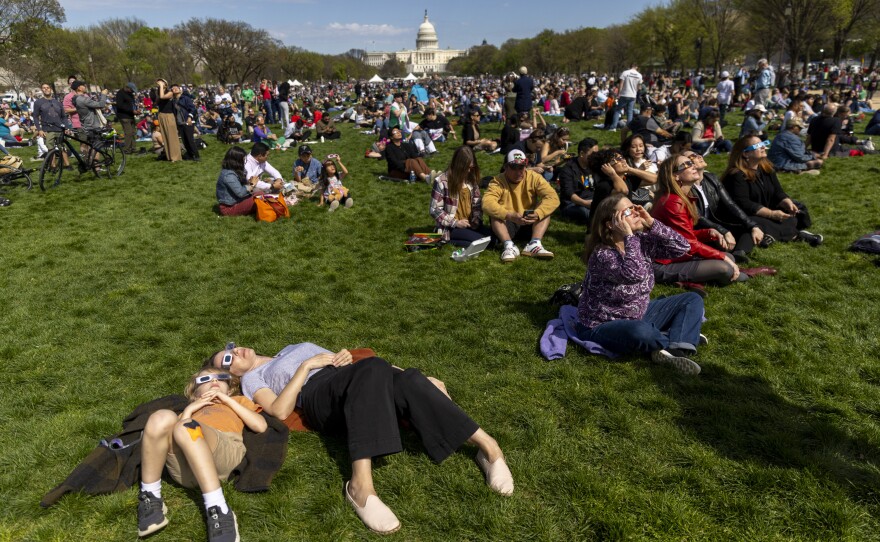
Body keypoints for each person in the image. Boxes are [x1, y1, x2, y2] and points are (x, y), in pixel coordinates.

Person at [208, 343, 514, 534]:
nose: (235, 353)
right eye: (227, 360)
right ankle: (360, 485)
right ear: (231, 375)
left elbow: (357, 365)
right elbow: (278, 408)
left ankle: (489, 449)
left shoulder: (289, 347)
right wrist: (306, 366)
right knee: (372, 367)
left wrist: (415, 379)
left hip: (352, 376)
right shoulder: (252, 379)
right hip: (317, 397)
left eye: (231, 348)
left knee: (402, 377)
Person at [575, 193, 704, 375]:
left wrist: (652, 223)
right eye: (627, 211)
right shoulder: (602, 254)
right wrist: (629, 236)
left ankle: (674, 346)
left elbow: (682, 247)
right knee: (640, 331)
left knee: (691, 299)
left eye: (635, 207)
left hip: (638, 313)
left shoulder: (641, 241)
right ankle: (678, 337)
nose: (636, 213)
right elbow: (633, 274)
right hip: (602, 324)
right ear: (611, 224)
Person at [137, 367, 266, 541]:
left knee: (187, 426)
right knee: (161, 417)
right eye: (205, 380)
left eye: (220, 378)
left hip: (224, 450)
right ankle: (150, 497)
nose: (214, 381)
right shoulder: (190, 409)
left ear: (229, 388)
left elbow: (260, 426)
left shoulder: (238, 400)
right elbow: (177, 434)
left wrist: (227, 401)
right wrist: (190, 409)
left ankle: (219, 508)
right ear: (195, 393)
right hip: (186, 469)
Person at [650, 154, 776, 290]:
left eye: (690, 163)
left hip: (675, 255)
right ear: (675, 176)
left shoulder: (681, 197)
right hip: (661, 263)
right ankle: (745, 274)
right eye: (685, 165)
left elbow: (682, 235)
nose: (692, 166)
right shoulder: (673, 202)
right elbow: (688, 243)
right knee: (724, 268)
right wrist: (722, 257)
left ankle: (692, 281)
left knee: (729, 258)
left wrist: (708, 232)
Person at [721, 136, 823, 247]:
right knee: (760, 222)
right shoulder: (736, 175)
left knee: (793, 212)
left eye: (763, 143)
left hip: (764, 210)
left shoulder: (767, 169)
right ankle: (796, 235)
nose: (763, 147)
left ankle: (770, 235)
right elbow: (744, 204)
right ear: (746, 154)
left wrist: (785, 201)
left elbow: (777, 191)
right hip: (744, 216)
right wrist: (770, 214)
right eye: (758, 146)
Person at [684, 151, 762, 263]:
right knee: (720, 239)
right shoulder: (685, 186)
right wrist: (723, 231)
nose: (699, 156)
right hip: (699, 230)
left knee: (749, 227)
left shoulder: (711, 178)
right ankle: (731, 252)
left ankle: (739, 252)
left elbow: (730, 204)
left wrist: (752, 225)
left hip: (716, 223)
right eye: (693, 156)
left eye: (698, 154)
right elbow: (698, 217)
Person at [482, 150, 560, 262]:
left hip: (529, 221)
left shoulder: (534, 177)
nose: (518, 172)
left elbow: (553, 198)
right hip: (508, 223)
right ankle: (508, 245)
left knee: (545, 209)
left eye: (522, 167)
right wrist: (509, 215)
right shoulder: (498, 181)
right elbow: (487, 203)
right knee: (494, 214)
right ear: (506, 167)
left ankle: (534, 243)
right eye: (514, 167)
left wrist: (537, 214)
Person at [429, 146, 489, 245]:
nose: (469, 171)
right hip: (451, 226)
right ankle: (446, 238)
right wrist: (455, 223)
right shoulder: (442, 181)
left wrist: (476, 219)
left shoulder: (471, 179)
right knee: (480, 241)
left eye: (471, 167)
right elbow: (434, 209)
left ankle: (456, 240)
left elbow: (477, 204)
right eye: (467, 168)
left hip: (470, 224)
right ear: (459, 166)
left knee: (494, 238)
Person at [556, 137, 597, 224]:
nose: (596, 157)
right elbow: (569, 193)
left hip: (591, 200)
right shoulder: (568, 169)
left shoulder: (594, 166)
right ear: (582, 153)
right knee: (585, 213)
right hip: (572, 204)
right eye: (593, 154)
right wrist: (585, 203)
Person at [216, 146, 260, 216]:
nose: (244, 162)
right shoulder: (229, 175)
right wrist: (252, 184)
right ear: (237, 161)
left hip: (236, 201)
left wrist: (249, 183)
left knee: (260, 193)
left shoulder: (232, 171)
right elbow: (241, 193)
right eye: (243, 160)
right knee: (260, 197)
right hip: (229, 208)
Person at [32, 83, 69, 166]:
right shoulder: (38, 102)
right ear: (42, 90)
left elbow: (63, 116)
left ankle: (67, 165)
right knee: (50, 148)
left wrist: (66, 127)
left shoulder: (57, 102)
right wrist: (39, 129)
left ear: (51, 89)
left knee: (62, 147)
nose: (46, 89)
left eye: (47, 87)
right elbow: (35, 117)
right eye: (44, 88)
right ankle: (53, 166)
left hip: (59, 128)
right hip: (47, 129)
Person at [155, 78, 181, 162]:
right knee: (165, 136)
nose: (159, 84)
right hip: (161, 115)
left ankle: (175, 156)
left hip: (169, 116)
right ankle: (169, 156)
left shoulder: (170, 92)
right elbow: (157, 102)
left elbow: (163, 97)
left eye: (161, 83)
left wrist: (162, 86)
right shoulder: (159, 93)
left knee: (172, 136)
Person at [174, 84, 201, 161]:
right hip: (180, 122)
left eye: (176, 88)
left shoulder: (185, 98)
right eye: (173, 88)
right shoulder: (173, 101)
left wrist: (189, 117)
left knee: (190, 139)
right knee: (184, 140)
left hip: (187, 121)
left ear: (180, 90)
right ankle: (190, 155)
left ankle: (196, 155)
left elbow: (193, 109)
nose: (175, 89)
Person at [612, 63, 643, 128]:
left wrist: (618, 94)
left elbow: (621, 84)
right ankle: (629, 128)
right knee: (630, 112)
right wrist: (635, 93)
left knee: (618, 110)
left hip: (624, 94)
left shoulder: (625, 73)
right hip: (633, 95)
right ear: (636, 67)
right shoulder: (639, 75)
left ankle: (613, 127)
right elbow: (639, 87)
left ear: (630, 66)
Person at [115, 82, 138, 154]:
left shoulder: (130, 94)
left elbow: (132, 103)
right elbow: (120, 106)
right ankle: (127, 149)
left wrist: (136, 110)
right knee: (128, 133)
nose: (132, 92)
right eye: (131, 90)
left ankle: (133, 148)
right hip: (124, 116)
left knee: (133, 132)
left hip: (131, 115)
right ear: (127, 88)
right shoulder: (120, 94)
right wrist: (132, 110)